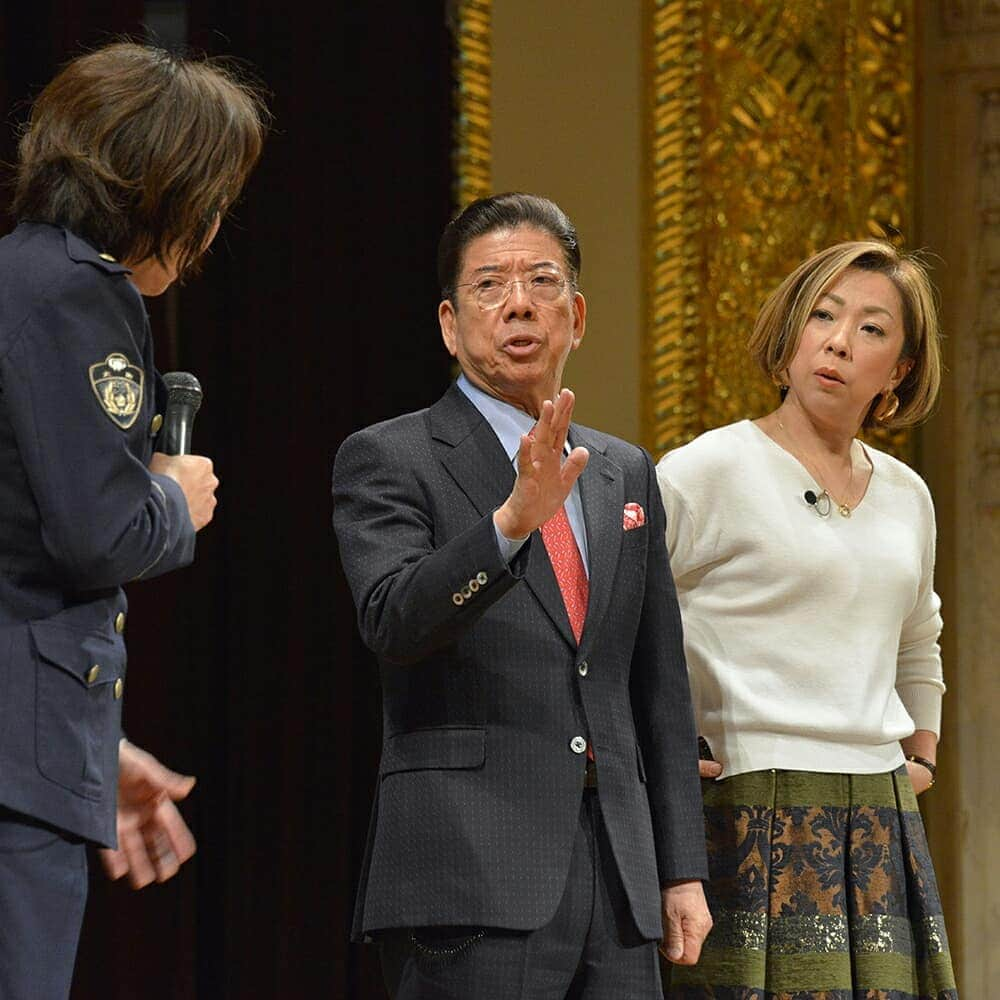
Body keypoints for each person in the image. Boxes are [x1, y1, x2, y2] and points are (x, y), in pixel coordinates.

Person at [333, 192, 712, 999]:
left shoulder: (622, 470)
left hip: (618, 874)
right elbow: (393, 620)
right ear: (449, 322)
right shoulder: (390, 457)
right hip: (467, 873)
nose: (518, 304)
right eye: (489, 286)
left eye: (541, 282)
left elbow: (657, 688)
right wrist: (509, 523)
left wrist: (681, 870)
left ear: (575, 314)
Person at [0, 42, 266, 999]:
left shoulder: (14, 275)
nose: (216, 223)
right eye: (214, 195)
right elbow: (95, 534)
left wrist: (94, 744)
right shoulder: (78, 290)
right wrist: (171, 499)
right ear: (163, 189)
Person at [656, 241, 958, 998]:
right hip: (744, 805)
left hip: (880, 809)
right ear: (790, 332)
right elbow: (622, 624)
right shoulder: (706, 469)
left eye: (870, 328)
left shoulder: (907, 494)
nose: (837, 341)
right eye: (822, 315)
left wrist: (920, 750)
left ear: (901, 369)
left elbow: (919, 634)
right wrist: (652, 752)